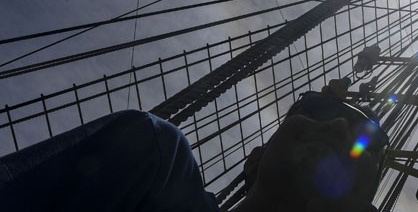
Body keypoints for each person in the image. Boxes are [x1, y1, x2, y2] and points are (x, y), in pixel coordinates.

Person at [0, 87, 388, 212]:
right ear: (254, 159)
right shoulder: (153, 162)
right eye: (317, 109)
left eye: (365, 143)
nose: (339, 126)